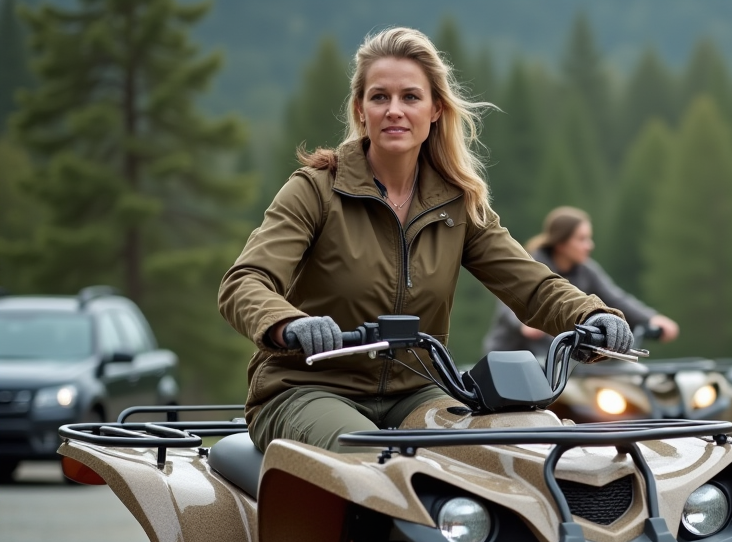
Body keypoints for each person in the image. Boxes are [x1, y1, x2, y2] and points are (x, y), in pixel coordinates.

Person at [219, 28, 631, 452]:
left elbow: (531, 284)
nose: (394, 110)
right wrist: (289, 324)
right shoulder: (317, 190)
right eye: (380, 97)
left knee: (512, 449)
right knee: (370, 457)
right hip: (308, 389)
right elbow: (244, 281)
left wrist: (588, 315)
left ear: (435, 108)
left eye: (410, 97)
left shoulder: (457, 203)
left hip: (416, 393)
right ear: (361, 110)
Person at [482, 206, 679, 358]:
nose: (589, 245)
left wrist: (651, 319)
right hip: (512, 359)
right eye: (582, 239)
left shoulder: (587, 271)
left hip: (560, 362)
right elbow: (510, 302)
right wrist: (523, 325)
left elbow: (616, 299)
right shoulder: (532, 265)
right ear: (561, 243)